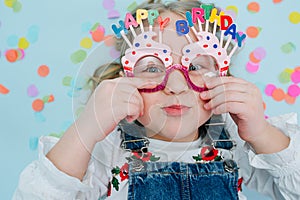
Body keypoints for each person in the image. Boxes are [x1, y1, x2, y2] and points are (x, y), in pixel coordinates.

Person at [13, 0, 300, 199]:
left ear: (223, 76)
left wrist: (261, 133)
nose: (175, 86)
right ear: (125, 79)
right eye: (152, 67)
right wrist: (88, 126)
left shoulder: (235, 140)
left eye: (196, 66)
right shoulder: (113, 145)